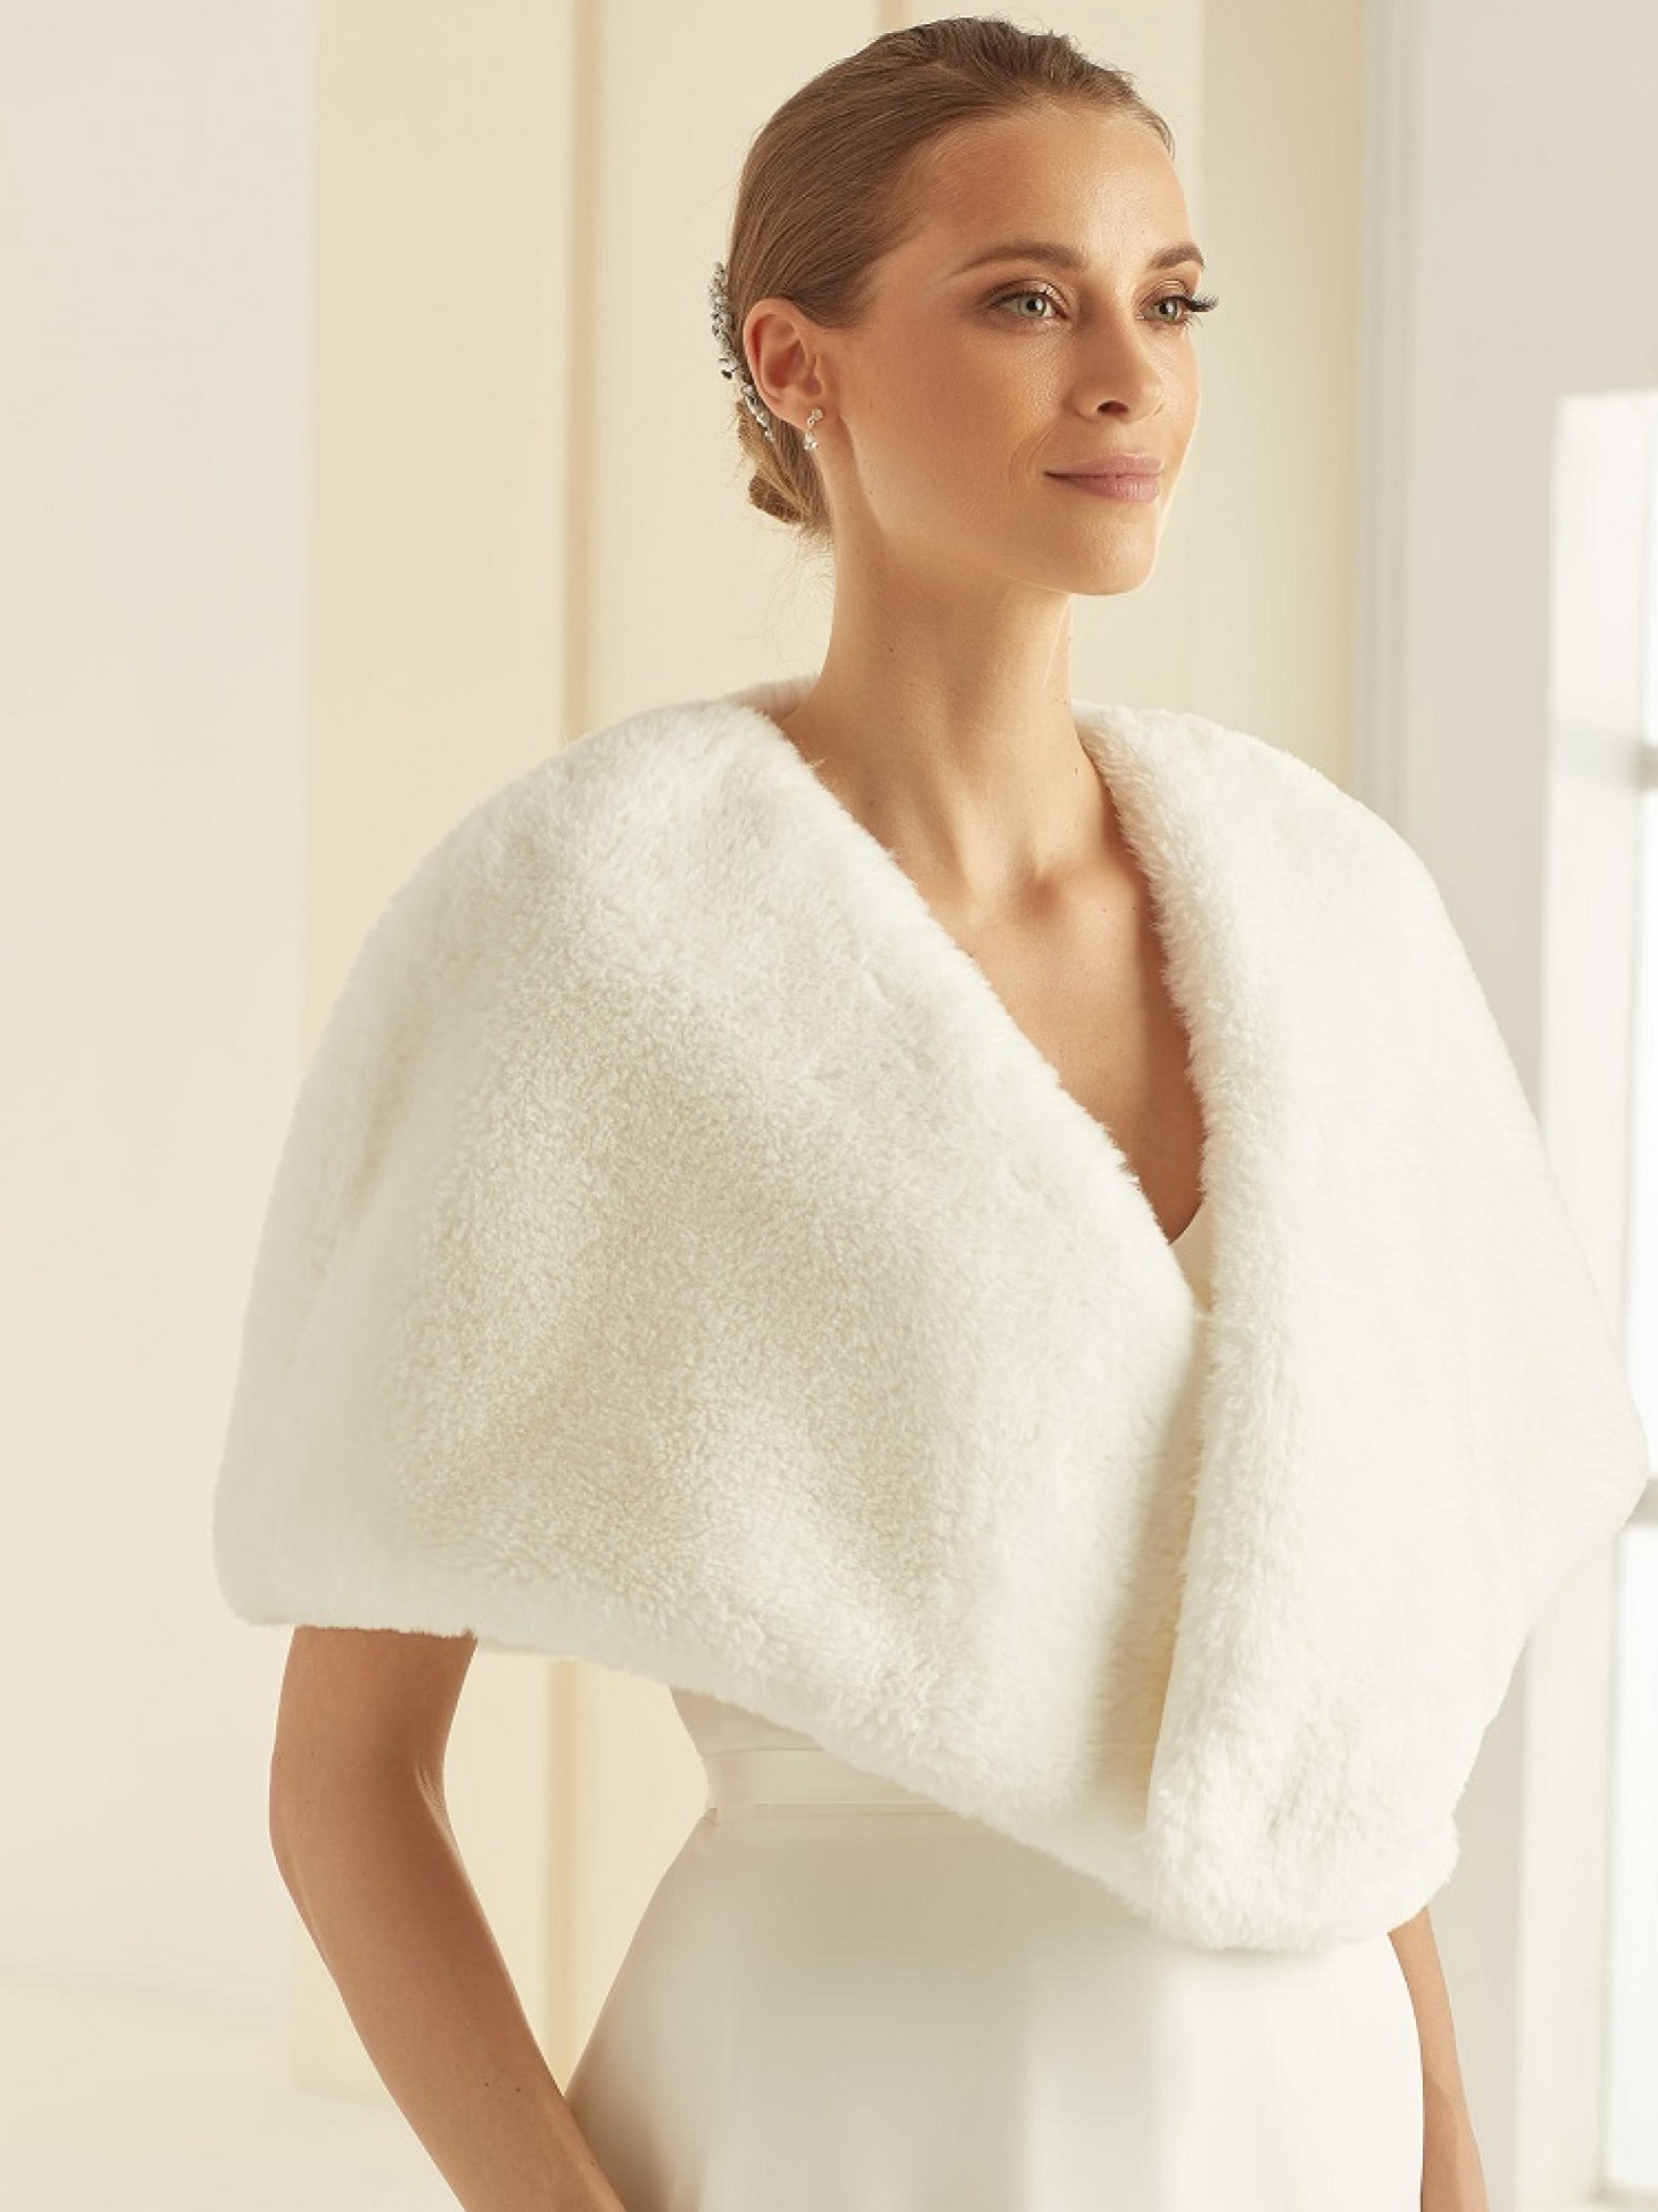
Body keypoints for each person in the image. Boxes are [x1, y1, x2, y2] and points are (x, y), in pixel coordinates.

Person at [257, 20, 1504, 2209]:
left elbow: (1331, 1678)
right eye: (1027, 298)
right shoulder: (604, 929)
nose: (1125, 374)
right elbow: (348, 1781)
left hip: (1303, 2108)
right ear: (795, 362)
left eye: (1170, 299)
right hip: (843, 2102)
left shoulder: (1329, 917)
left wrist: (1454, 2167)